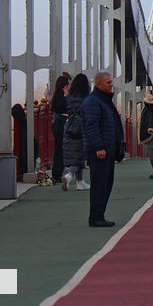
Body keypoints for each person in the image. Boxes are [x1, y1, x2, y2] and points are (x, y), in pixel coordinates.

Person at [82, 71, 125, 227]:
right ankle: (96, 217)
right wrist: (99, 147)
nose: (111, 84)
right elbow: (91, 126)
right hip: (101, 151)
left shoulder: (104, 101)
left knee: (106, 183)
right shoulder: (93, 102)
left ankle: (99, 215)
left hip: (108, 149)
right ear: (98, 83)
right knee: (100, 184)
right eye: (108, 82)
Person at [62, 73, 91, 191]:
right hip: (81, 127)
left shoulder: (70, 97)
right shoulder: (86, 98)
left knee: (76, 155)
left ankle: (80, 182)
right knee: (80, 156)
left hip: (69, 126)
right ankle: (69, 176)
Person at [50, 74, 70, 184]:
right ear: (64, 86)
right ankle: (57, 173)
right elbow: (63, 107)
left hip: (58, 124)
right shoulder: (62, 96)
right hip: (61, 124)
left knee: (59, 150)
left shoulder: (57, 95)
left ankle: (57, 173)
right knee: (61, 150)